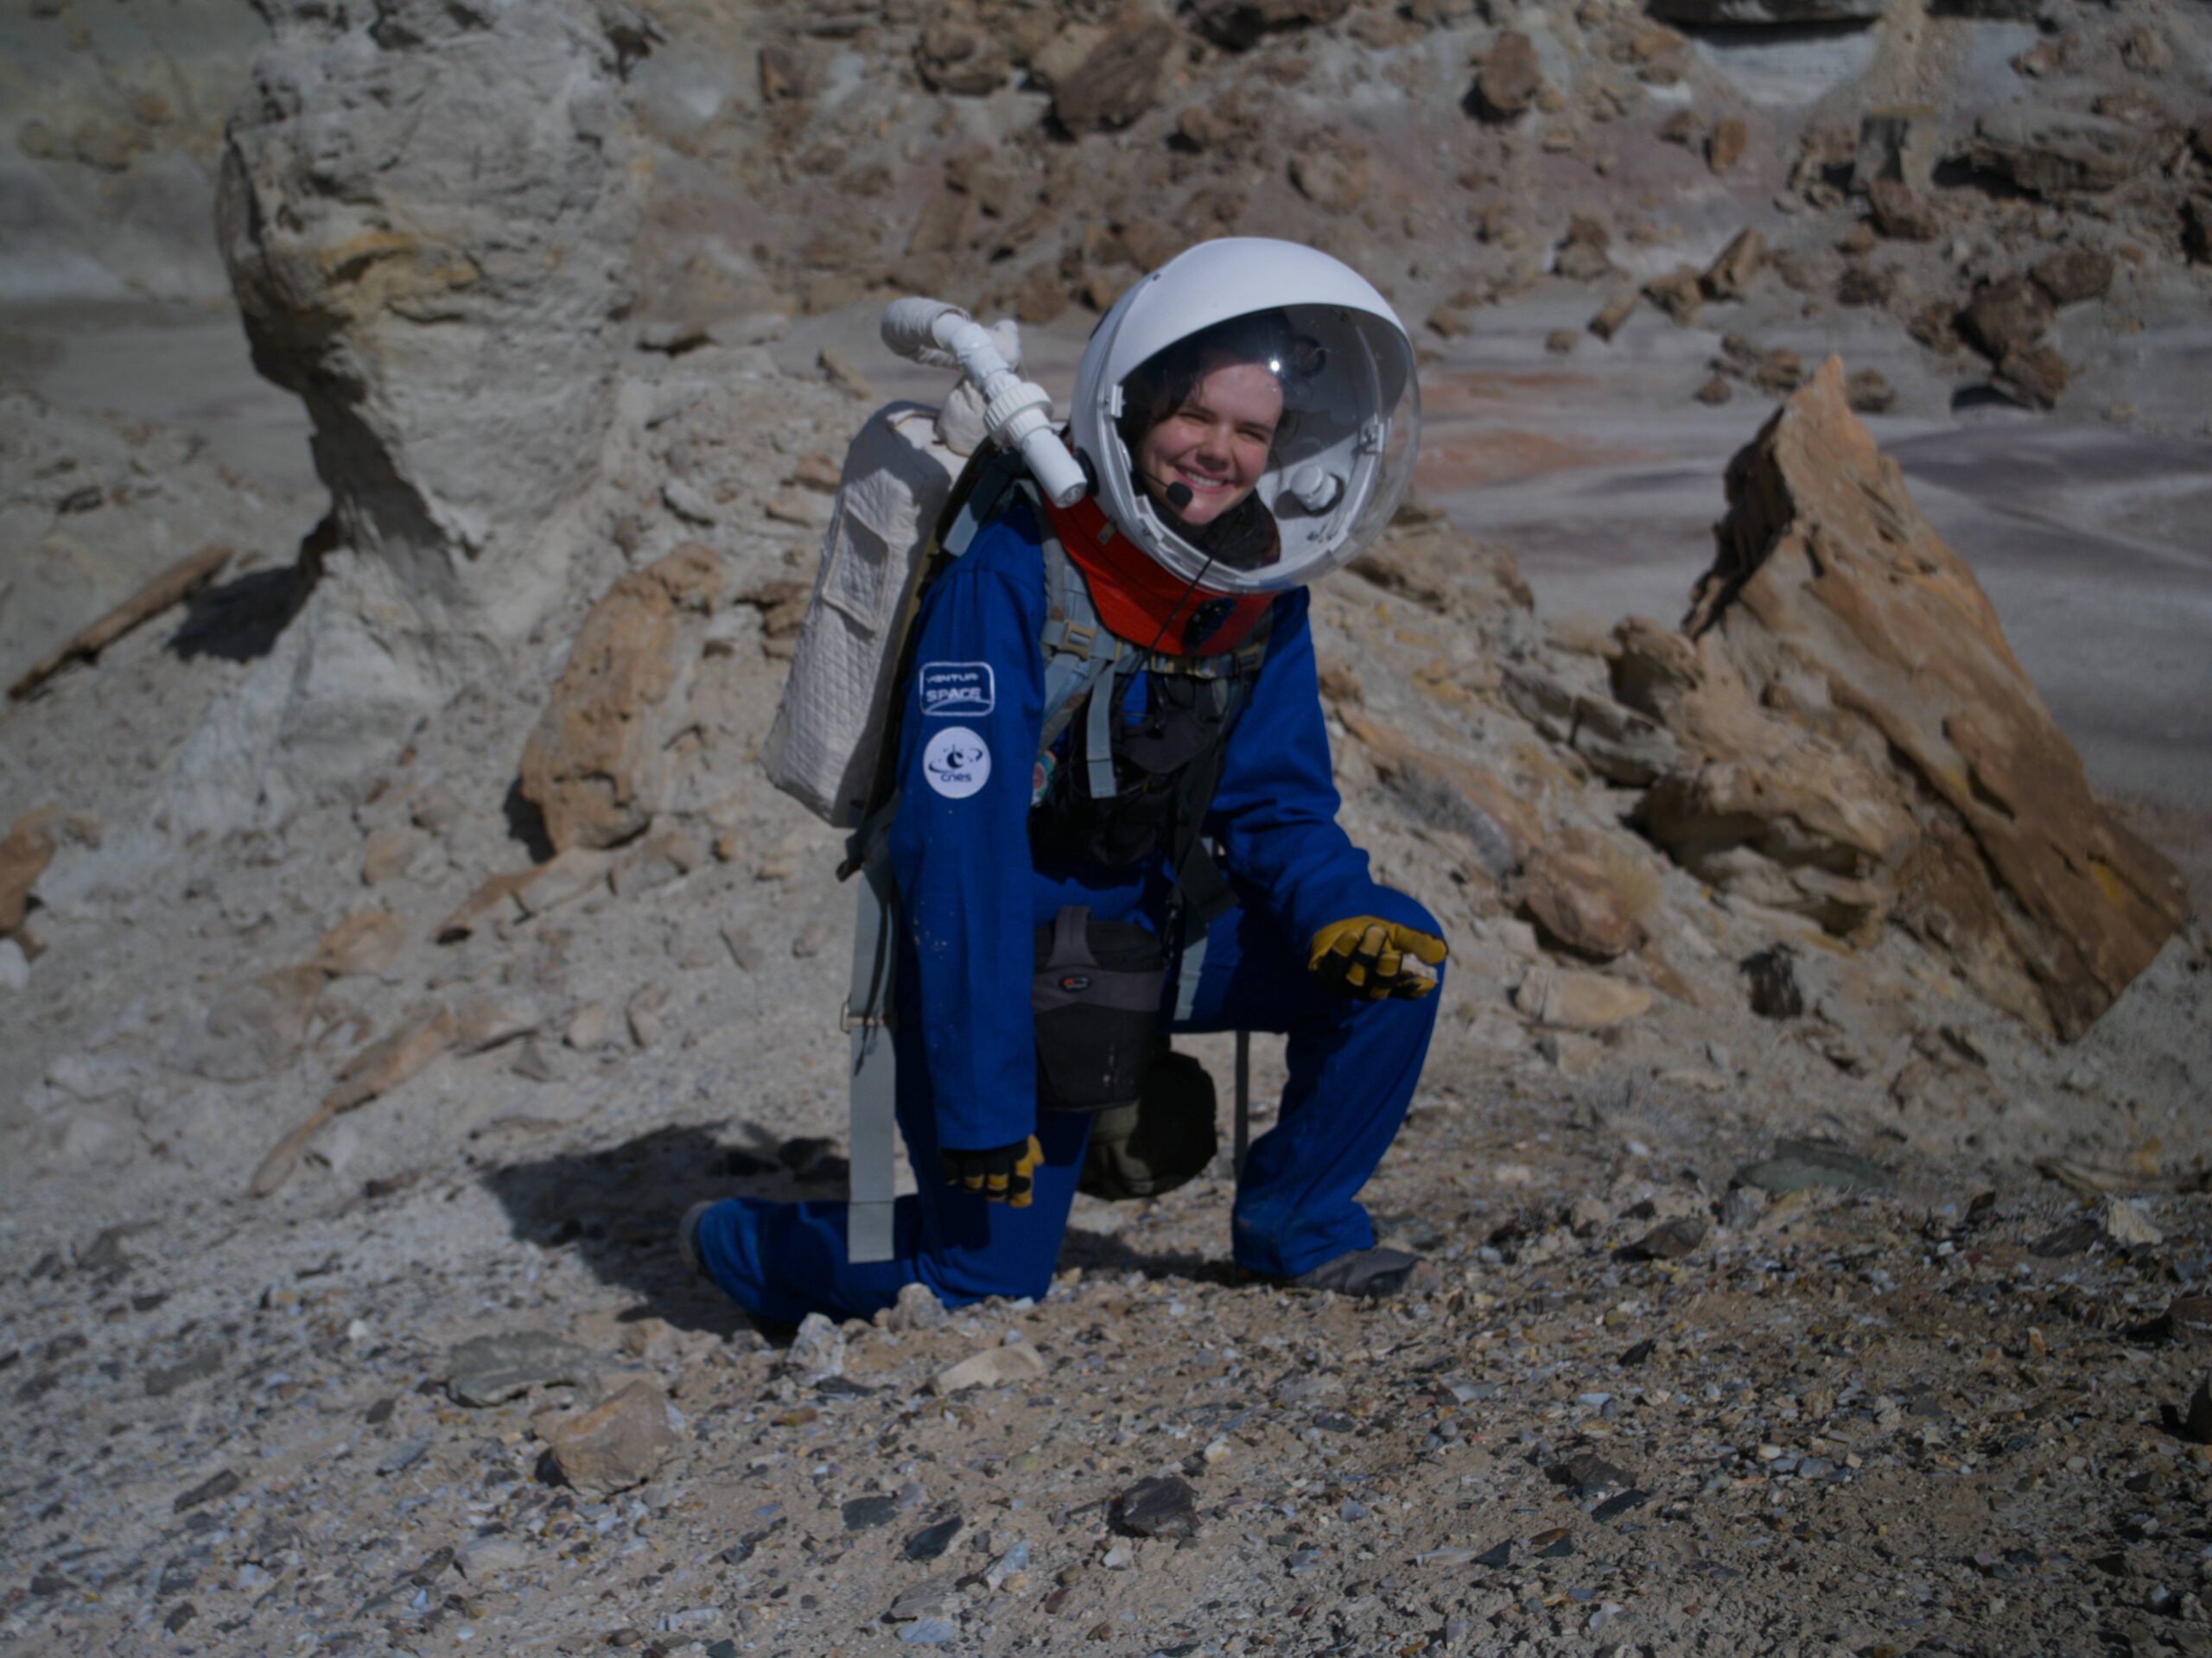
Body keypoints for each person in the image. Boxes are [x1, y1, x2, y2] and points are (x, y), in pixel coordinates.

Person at [684, 238, 1448, 1325]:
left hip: (1150, 920)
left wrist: (1336, 907)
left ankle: (1301, 1226)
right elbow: (961, 853)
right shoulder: (1019, 561)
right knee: (986, 1279)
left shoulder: (1255, 587)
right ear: (1134, 408)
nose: (1220, 451)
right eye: (1196, 416)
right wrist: (983, 1095)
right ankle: (743, 1241)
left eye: (1251, 431)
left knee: (1393, 965)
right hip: (1001, 949)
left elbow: (1276, 802)